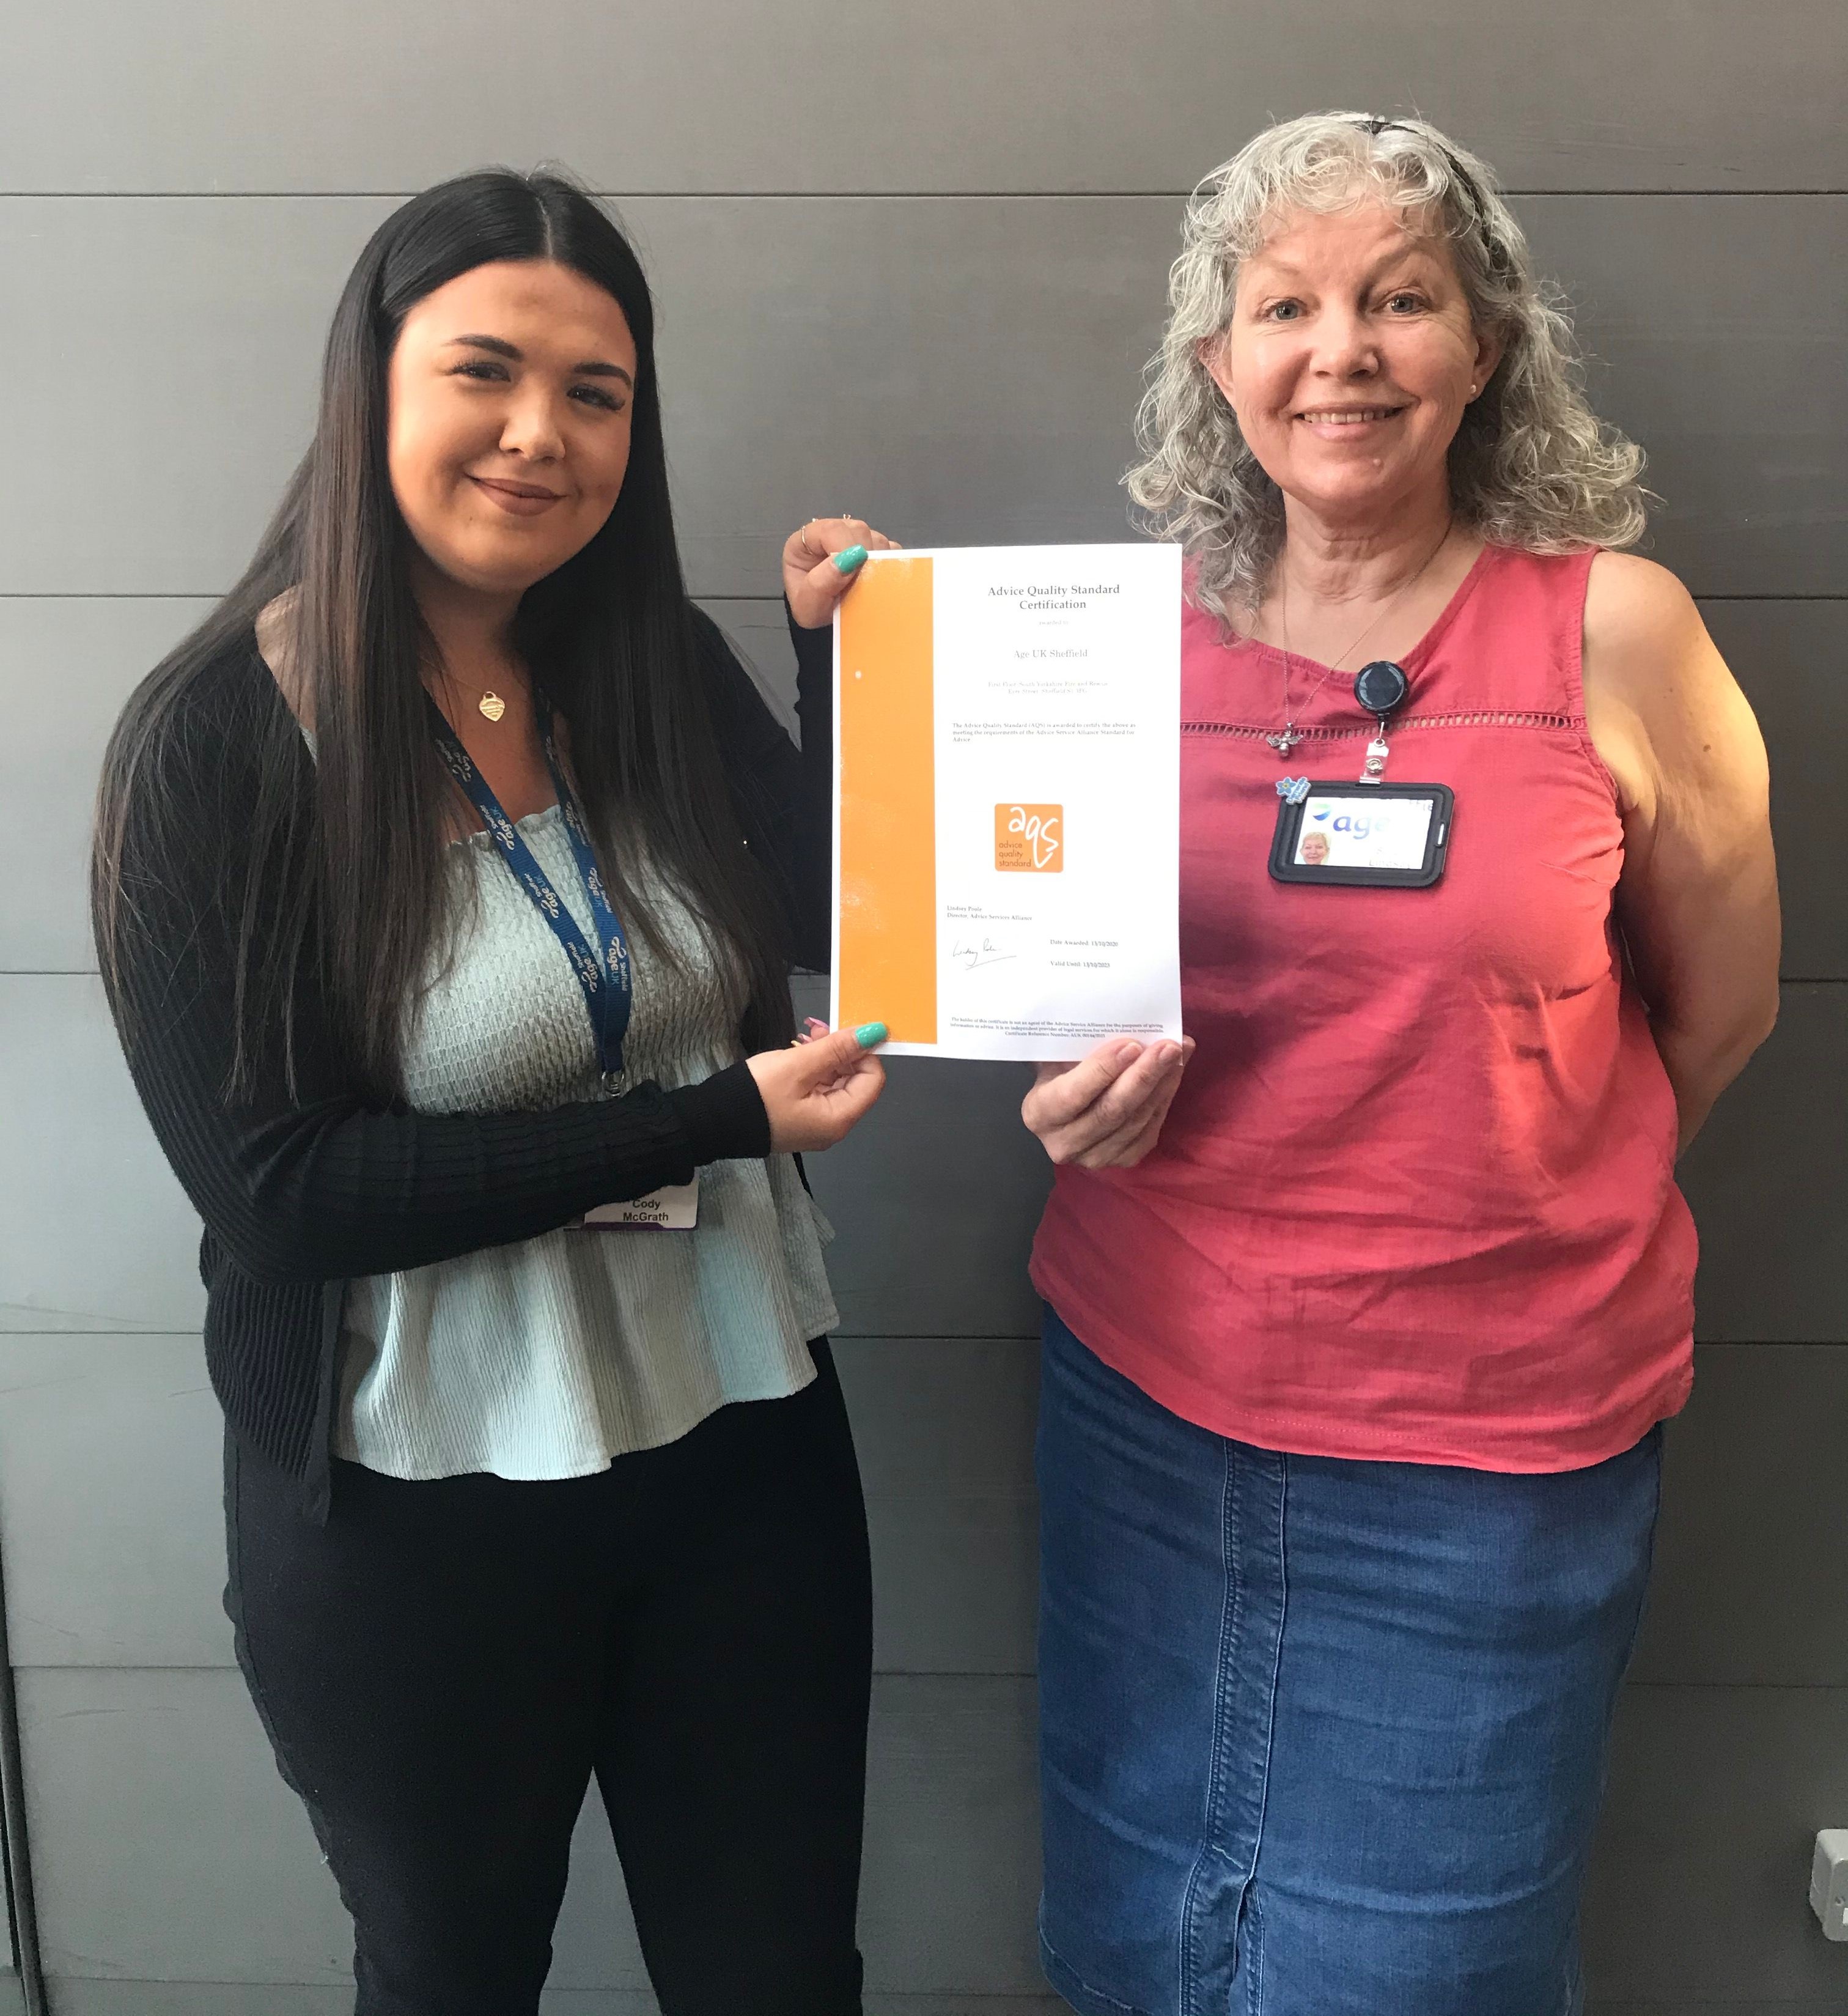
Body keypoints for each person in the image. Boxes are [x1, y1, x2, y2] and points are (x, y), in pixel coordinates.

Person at [90, 169, 893, 2016]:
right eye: (486, 371)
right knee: (451, 1977)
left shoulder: (643, 661)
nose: (542, 433)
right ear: (371, 384)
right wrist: (711, 1120)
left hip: (742, 1437)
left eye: (596, 391)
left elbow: (836, 908)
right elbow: (281, 1190)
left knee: (779, 1976)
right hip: (415, 1506)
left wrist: (844, 665)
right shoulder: (215, 738)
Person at [1020, 113, 1778, 2016]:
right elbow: (1027, 963)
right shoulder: (1113, 645)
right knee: (1142, 1928)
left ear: (1486, 344)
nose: (1338, 350)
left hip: (1494, 1454)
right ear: (1218, 367)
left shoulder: (1619, 630)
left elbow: (1724, 1008)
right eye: (1284, 305)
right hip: (1146, 1402)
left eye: (1398, 299)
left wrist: (1503, 1183)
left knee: (1428, 1965)